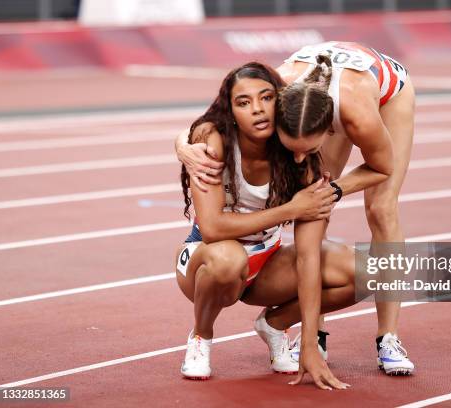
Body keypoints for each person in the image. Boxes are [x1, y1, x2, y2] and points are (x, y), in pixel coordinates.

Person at [176, 41, 416, 377]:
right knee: (260, 242)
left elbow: (381, 168)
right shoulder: (264, 101)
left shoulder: (343, 123)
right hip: (217, 255)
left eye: (311, 149)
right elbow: (216, 114)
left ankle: (382, 336)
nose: (300, 158)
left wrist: (330, 190)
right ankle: (213, 336)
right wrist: (184, 146)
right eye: (294, 150)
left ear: (327, 131)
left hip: (382, 86)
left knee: (380, 215)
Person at [175, 61, 355, 390]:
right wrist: (290, 208)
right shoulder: (212, 140)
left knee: (366, 272)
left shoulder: (302, 157)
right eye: (243, 102)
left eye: (266, 98)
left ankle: (275, 325)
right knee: (228, 259)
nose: (257, 110)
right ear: (229, 110)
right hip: (208, 258)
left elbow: (308, 255)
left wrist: (311, 342)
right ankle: (201, 335)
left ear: (280, 101)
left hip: (266, 263)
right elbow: (213, 228)